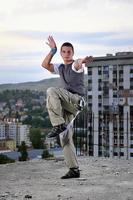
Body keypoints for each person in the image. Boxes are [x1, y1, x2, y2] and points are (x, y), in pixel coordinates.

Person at [41, 35, 93, 179]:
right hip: (67, 105)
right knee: (65, 137)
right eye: (63, 51)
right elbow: (45, 65)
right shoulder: (61, 67)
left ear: (73, 53)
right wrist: (53, 50)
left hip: (76, 101)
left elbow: (79, 63)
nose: (66, 54)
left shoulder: (75, 65)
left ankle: (57, 124)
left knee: (51, 91)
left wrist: (84, 60)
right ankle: (74, 169)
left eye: (68, 51)